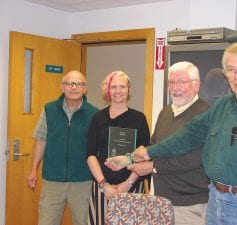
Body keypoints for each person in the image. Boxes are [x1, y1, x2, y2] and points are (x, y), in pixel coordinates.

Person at [132, 41, 237, 225]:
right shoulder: (222, 105)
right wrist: (149, 151)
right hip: (215, 201)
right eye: (231, 69)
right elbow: (189, 135)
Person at [123, 61, 209, 225]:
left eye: (181, 82)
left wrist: (153, 167)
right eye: (171, 82)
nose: (175, 88)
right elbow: (155, 145)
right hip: (161, 201)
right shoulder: (166, 112)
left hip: (190, 206)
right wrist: (131, 159)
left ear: (196, 85)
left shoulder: (204, 114)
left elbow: (193, 159)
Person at [26, 70, 98, 225]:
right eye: (68, 83)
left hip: (82, 181)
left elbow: (97, 149)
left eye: (78, 84)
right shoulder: (49, 109)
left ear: (85, 89)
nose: (73, 87)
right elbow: (40, 140)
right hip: (52, 180)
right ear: (62, 87)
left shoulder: (94, 114)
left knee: (83, 222)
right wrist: (33, 170)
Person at [86, 71, 150, 225]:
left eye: (122, 86)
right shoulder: (98, 118)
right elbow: (90, 155)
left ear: (129, 90)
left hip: (132, 185)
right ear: (107, 90)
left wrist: (127, 183)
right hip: (102, 187)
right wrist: (104, 185)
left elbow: (145, 155)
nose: (118, 91)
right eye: (113, 87)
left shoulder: (139, 119)